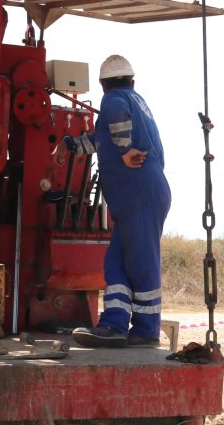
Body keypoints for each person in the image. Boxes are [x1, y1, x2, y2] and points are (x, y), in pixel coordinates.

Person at [72, 55, 171, 349]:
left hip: (139, 193)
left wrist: (126, 150)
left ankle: (146, 329)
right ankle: (113, 324)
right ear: (132, 80)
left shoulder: (116, 100)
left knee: (142, 261)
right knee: (116, 262)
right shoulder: (137, 105)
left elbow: (114, 117)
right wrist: (68, 147)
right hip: (139, 195)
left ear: (104, 85)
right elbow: (102, 138)